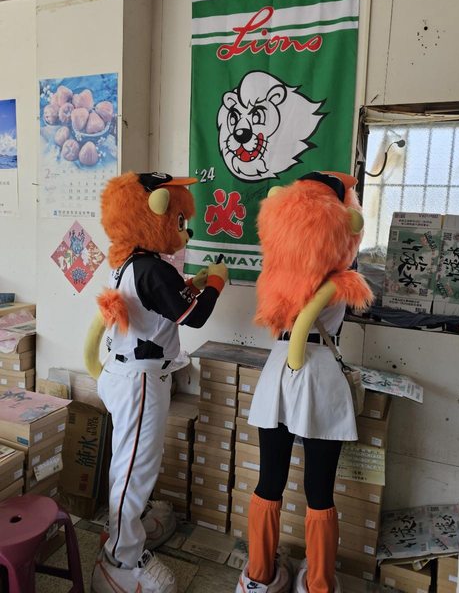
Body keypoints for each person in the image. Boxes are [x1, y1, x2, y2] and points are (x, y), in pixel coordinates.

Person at [85, 171, 228, 593]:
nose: (185, 230)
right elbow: (195, 316)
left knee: (132, 463)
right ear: (154, 214)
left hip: (126, 371)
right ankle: (119, 560)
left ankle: (129, 528)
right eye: (180, 220)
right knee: (133, 469)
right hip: (140, 378)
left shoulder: (129, 261)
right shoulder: (150, 268)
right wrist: (217, 282)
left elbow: (164, 301)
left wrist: (196, 284)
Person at [236, 172, 373, 593]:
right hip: (319, 376)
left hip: (278, 371)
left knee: (269, 479)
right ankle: (318, 584)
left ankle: (259, 576)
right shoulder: (342, 277)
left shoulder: (275, 274)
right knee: (319, 488)